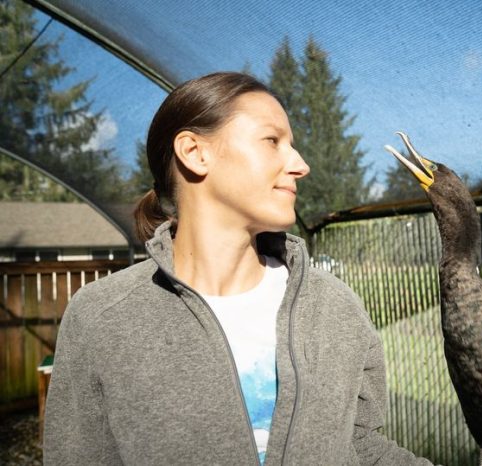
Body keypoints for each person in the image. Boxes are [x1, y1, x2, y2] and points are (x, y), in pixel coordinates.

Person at [43, 72, 434, 465]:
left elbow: (360, 447)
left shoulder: (336, 308)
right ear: (195, 153)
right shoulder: (102, 317)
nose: (301, 165)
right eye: (272, 141)